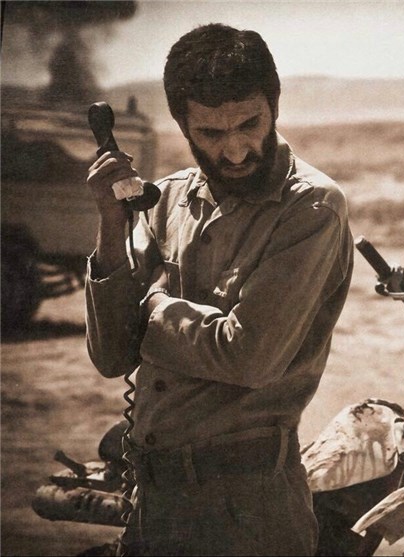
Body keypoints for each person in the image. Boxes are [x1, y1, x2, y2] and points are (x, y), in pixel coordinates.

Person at [84, 23, 353, 556]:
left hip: (249, 513)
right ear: (182, 125)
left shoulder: (311, 208)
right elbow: (111, 354)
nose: (234, 151)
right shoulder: (166, 201)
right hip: (154, 504)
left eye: (250, 124)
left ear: (274, 107)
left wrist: (151, 306)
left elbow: (249, 357)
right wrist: (111, 229)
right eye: (210, 133)